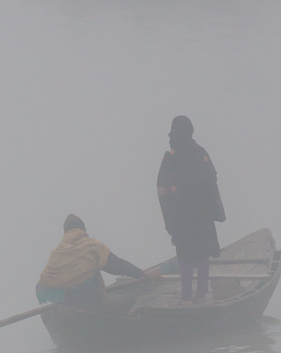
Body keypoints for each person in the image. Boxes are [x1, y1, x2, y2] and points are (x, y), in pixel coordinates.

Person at [157, 116, 226, 305]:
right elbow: (212, 179)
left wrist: (169, 223)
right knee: (203, 253)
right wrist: (216, 212)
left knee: (185, 256)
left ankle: (186, 296)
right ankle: (201, 294)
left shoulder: (170, 158)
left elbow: (162, 192)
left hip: (180, 218)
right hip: (202, 214)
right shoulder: (199, 153)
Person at [36, 214, 146, 309]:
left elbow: (43, 285)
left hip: (68, 303)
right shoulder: (91, 246)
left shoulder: (58, 253)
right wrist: (144, 274)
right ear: (82, 230)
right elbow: (118, 265)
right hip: (90, 303)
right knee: (131, 299)